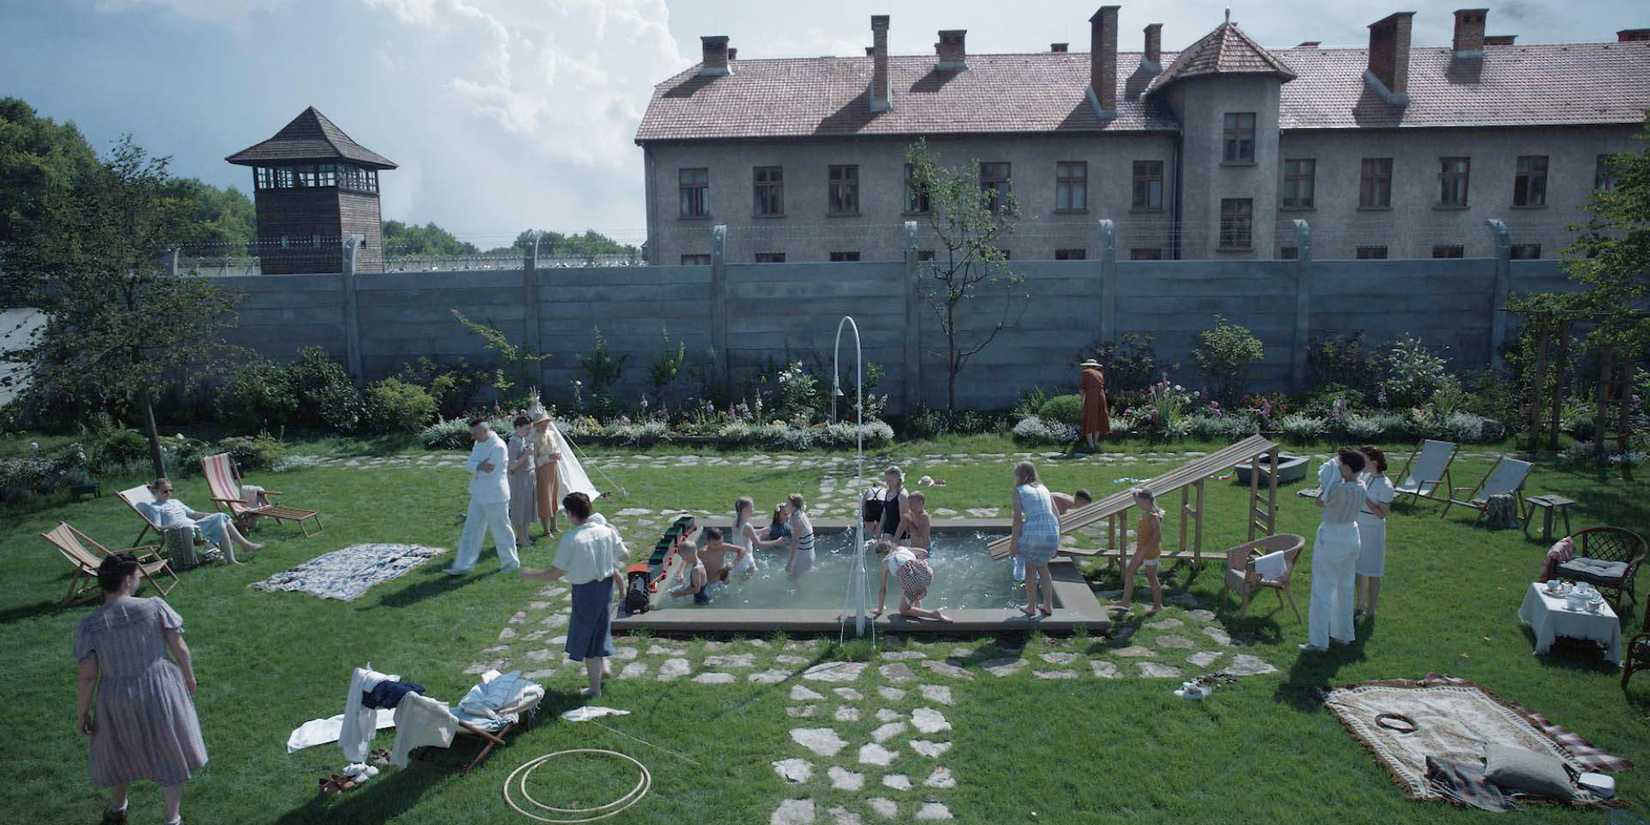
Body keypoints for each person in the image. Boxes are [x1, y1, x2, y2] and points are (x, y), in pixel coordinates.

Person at [75, 553, 207, 825]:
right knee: (169, 749)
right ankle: (172, 819)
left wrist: (82, 713)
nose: (139, 579)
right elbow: (180, 648)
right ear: (127, 580)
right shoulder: (154, 606)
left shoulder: (90, 624)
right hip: (160, 689)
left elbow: (87, 676)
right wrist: (189, 677)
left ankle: (118, 809)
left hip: (115, 696)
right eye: (137, 575)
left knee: (119, 749)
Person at [521, 493, 629, 698]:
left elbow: (554, 574)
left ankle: (594, 689)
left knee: (588, 638)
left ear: (571, 514)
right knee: (599, 628)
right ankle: (603, 666)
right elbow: (625, 555)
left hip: (585, 591)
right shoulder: (606, 531)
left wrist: (530, 574)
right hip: (606, 588)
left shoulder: (572, 538)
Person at [1302, 448, 1367, 652]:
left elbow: (1319, 501)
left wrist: (1328, 480)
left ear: (1347, 468)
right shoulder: (1362, 486)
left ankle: (1318, 641)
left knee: (1322, 588)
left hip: (1332, 536)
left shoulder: (1337, 488)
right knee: (1345, 586)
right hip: (1352, 535)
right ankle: (1343, 634)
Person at [447, 418, 520, 575]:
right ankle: (463, 565)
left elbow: (489, 470)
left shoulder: (498, 446)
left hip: (495, 496)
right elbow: (470, 464)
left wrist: (477, 466)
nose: (472, 437)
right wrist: (478, 465)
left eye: (475, 434)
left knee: (501, 531)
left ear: (485, 431)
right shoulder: (478, 443)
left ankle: (511, 563)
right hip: (478, 494)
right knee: (470, 530)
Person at [136, 478, 262, 564]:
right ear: (156, 491)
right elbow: (157, 528)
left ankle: (235, 556)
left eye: (171, 490)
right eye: (165, 491)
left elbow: (193, 514)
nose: (168, 493)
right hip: (183, 532)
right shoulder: (155, 508)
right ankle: (243, 547)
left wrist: (209, 515)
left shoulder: (175, 502)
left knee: (221, 517)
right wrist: (175, 525)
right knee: (221, 520)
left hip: (195, 526)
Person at [1010, 461, 1060, 618]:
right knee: (1043, 568)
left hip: (1034, 533)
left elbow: (1017, 519)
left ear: (1019, 475)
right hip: (1052, 531)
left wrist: (1013, 543)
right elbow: (1057, 515)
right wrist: (1058, 539)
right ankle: (1048, 605)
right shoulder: (1044, 488)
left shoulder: (1019, 490)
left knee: (1030, 570)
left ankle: (1031, 607)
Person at [1014, 489, 1091, 582]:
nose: (1083, 507)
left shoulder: (1069, 501)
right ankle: (1027, 572)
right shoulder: (1067, 503)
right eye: (1084, 504)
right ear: (1080, 500)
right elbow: (1056, 520)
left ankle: (1027, 570)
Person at [1355, 446, 1394, 619]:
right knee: (1359, 569)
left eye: (1364, 459)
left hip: (1373, 529)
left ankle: (1371, 610)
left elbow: (1382, 514)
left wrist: (1365, 497)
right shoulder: (1365, 476)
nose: (1361, 462)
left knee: (1373, 571)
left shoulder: (1385, 485)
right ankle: (1359, 605)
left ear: (1374, 462)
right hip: (1359, 525)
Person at [873, 538, 952, 623]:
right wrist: (914, 562)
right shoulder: (901, 548)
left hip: (912, 582)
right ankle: (918, 612)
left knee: (903, 610)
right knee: (913, 585)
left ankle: (933, 614)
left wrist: (880, 610)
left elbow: (883, 589)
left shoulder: (885, 562)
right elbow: (924, 552)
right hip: (925, 574)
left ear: (881, 555)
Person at [1119, 487, 1165, 614]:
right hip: (1141, 550)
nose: (1136, 503)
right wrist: (1135, 492)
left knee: (1151, 577)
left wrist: (1144, 551)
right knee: (1129, 572)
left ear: (1145, 501)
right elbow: (1135, 493)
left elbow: (1157, 537)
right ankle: (1125, 602)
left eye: (1138, 501)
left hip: (1149, 552)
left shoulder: (1153, 516)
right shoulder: (1147, 512)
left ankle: (1158, 606)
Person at [528, 400, 564, 537]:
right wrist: (549, 457)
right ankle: (546, 530)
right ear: (536, 425)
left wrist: (557, 455)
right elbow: (534, 459)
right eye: (541, 424)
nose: (544, 425)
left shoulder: (551, 434)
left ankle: (554, 526)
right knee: (545, 498)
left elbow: (556, 449)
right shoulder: (534, 438)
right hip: (542, 470)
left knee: (554, 496)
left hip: (553, 468)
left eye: (546, 423)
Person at [507, 414, 538, 544]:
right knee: (520, 508)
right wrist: (526, 455)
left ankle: (524, 535)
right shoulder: (514, 442)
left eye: (530, 428)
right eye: (526, 428)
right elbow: (512, 466)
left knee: (527, 508)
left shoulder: (522, 439)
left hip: (527, 478)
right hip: (519, 479)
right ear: (517, 427)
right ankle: (521, 537)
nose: (529, 431)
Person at [698, 527, 745, 595]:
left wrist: (734, 563)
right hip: (709, 580)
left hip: (721, 576)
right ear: (707, 542)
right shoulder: (703, 551)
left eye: (720, 542)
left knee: (726, 571)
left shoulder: (723, 547)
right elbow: (689, 560)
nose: (718, 546)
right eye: (715, 544)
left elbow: (742, 550)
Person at [1079, 358, 1110, 450]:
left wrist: (1082, 400)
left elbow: (1082, 388)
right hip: (1101, 396)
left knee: (1089, 417)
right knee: (1099, 418)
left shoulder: (1086, 372)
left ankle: (1090, 444)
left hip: (1091, 396)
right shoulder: (1100, 374)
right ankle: (1096, 442)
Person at [784, 494, 816, 578]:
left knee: (792, 578)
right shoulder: (799, 512)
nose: (785, 506)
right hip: (808, 553)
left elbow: (795, 542)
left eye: (787, 504)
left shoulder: (796, 520)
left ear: (794, 507)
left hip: (803, 556)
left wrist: (789, 562)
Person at [878, 466, 907, 540]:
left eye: (890, 480)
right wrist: (879, 532)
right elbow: (884, 513)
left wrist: (895, 540)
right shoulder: (888, 492)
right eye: (886, 480)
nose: (887, 483)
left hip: (900, 535)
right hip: (888, 531)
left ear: (898, 479)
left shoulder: (902, 495)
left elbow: (903, 520)